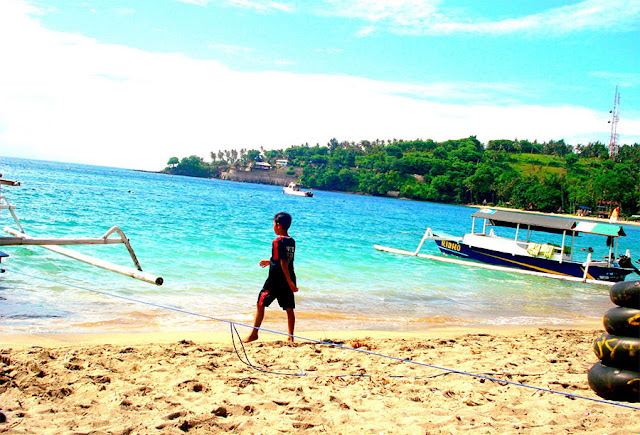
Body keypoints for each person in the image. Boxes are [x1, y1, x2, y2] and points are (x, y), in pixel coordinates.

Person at [243, 212, 298, 343]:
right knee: (289, 308)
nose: (273, 227)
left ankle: (254, 333)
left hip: (275, 280)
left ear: (278, 225)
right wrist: (270, 261)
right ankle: (290, 336)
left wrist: (289, 282)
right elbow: (285, 259)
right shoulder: (291, 241)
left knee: (260, 303)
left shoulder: (277, 241)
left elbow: (283, 262)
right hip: (288, 278)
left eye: (273, 224)